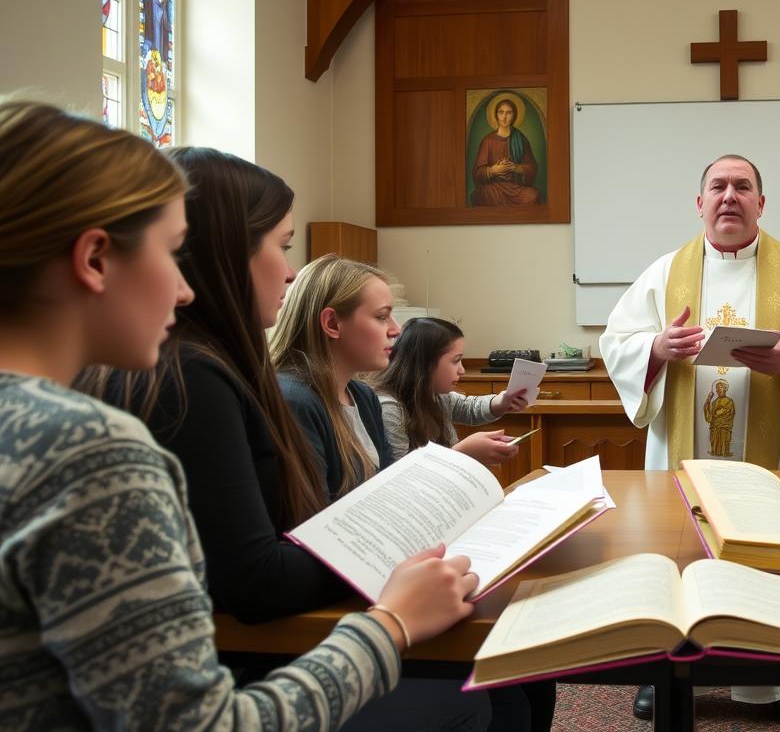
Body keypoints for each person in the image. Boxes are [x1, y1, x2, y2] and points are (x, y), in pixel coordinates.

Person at [0, 100, 475, 730]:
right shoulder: (91, 448)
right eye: (172, 254)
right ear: (94, 260)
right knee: (474, 698)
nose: (185, 286)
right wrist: (390, 623)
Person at [600, 153, 780, 726]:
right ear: (699, 204)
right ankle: (667, 670)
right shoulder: (663, 272)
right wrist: (655, 349)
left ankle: (773, 681)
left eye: (742, 187)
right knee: (679, 550)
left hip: (776, 456)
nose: (729, 196)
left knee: (769, 552)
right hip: (682, 453)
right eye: (717, 187)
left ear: (760, 203)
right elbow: (616, 338)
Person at [270, 254, 399, 497]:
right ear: (332, 323)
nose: (396, 329)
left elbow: (387, 484)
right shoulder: (294, 401)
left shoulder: (362, 396)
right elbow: (311, 519)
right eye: (382, 317)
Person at [376, 317, 528, 464]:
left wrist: (500, 402)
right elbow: (400, 477)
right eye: (456, 360)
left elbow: (468, 407)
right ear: (425, 363)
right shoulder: (389, 409)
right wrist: (462, 453)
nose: (462, 370)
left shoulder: (437, 396)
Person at [470, 96, 540, 206]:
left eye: (509, 113)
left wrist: (516, 168)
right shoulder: (487, 141)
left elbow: (532, 168)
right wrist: (494, 170)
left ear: (514, 116)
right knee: (477, 195)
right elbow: (477, 173)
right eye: (501, 112)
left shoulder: (521, 139)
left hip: (516, 189)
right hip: (494, 188)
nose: (504, 117)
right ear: (496, 115)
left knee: (534, 195)